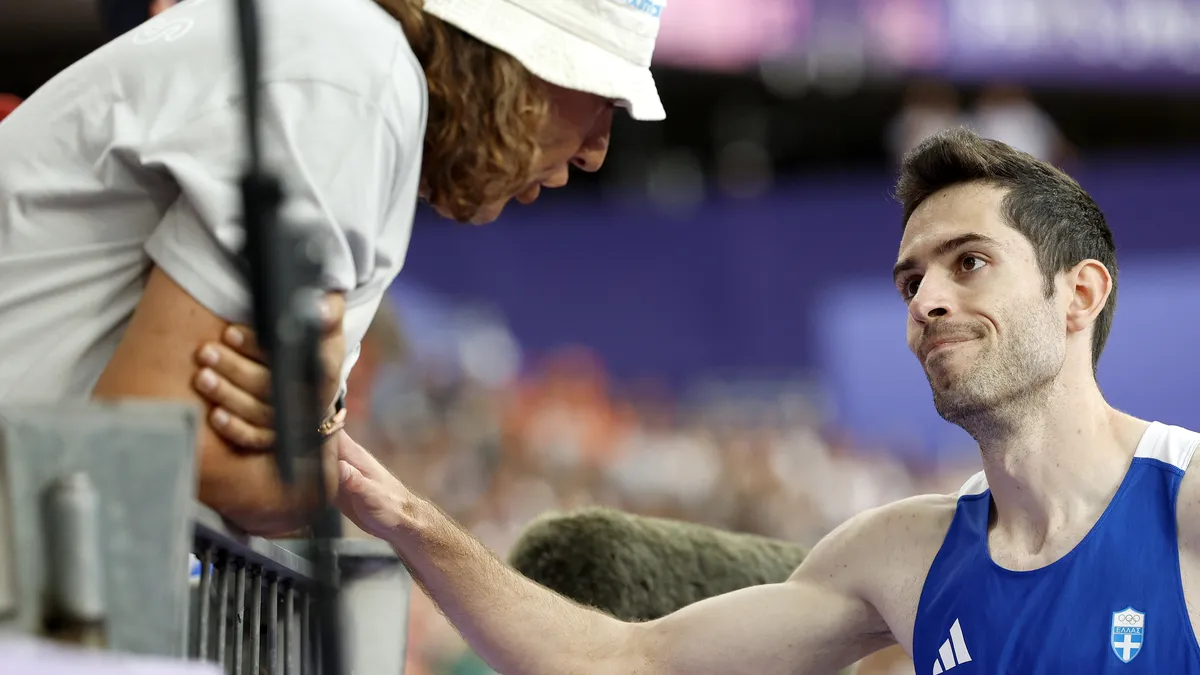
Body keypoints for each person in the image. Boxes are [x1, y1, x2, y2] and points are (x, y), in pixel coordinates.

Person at [191, 126, 1200, 673]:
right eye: (911, 280)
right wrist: (395, 509)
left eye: (969, 262)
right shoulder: (899, 557)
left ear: (1080, 294)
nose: (929, 299)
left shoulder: (1187, 507)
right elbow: (624, 660)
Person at [0, 0, 667, 535]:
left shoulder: (353, 58)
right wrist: (307, 460)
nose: (596, 154)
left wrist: (305, 441)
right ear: (513, 57)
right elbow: (147, 452)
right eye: (603, 97)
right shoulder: (354, 77)